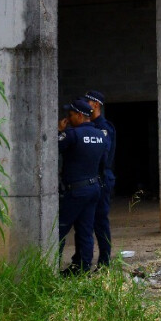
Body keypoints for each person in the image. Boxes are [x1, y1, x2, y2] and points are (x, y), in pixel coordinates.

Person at [58, 98, 107, 275]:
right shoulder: (100, 135)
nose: (68, 118)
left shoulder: (72, 135)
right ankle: (83, 268)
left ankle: (50, 267)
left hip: (76, 190)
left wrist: (59, 131)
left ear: (79, 115)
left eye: (70, 115)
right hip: (93, 188)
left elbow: (53, 148)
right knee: (85, 230)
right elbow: (104, 162)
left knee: (60, 229)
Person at [85, 90, 116, 268]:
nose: (85, 105)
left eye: (88, 102)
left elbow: (103, 155)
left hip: (102, 177)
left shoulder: (103, 128)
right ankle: (83, 261)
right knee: (86, 222)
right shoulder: (89, 126)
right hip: (90, 178)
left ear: (96, 104)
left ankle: (104, 262)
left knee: (100, 221)